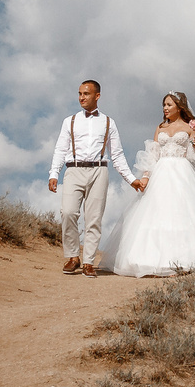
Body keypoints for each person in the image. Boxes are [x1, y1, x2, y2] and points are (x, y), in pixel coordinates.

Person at [103, 91, 195, 277]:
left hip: (182, 172)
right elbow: (152, 154)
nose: (165, 108)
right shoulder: (160, 128)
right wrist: (146, 176)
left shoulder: (189, 127)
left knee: (182, 212)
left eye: (169, 105)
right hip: (161, 172)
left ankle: (184, 260)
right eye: (164, 105)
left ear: (179, 107)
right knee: (157, 212)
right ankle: (152, 260)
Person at [47, 79, 141, 277]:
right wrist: (54, 174)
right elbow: (60, 149)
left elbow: (117, 154)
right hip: (73, 170)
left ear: (97, 96)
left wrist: (131, 179)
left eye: (86, 94)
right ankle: (73, 256)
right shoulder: (69, 121)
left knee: (94, 218)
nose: (82, 97)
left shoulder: (108, 122)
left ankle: (89, 261)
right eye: (80, 93)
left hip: (99, 171)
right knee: (68, 212)